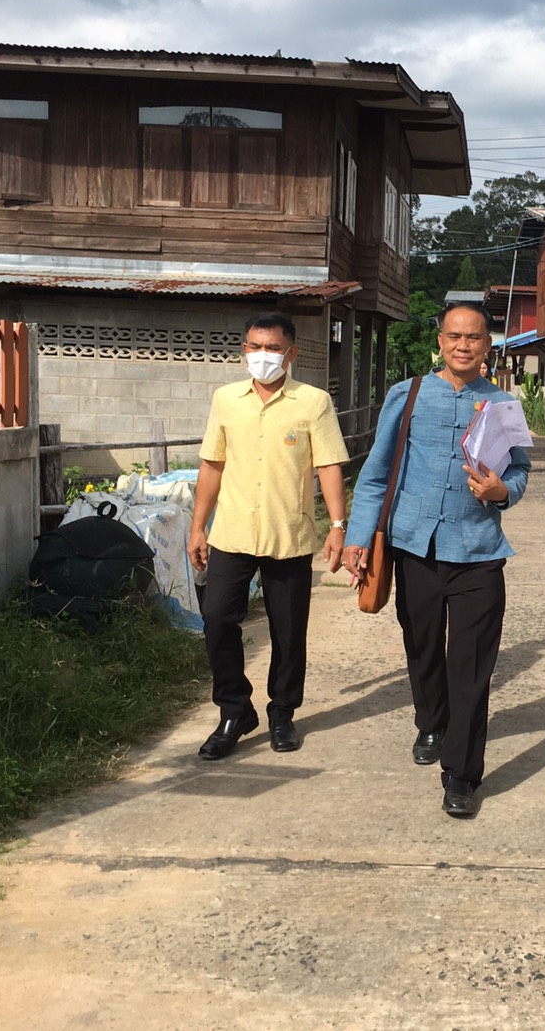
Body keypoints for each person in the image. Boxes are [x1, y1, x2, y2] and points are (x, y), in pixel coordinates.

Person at [343, 304, 531, 819]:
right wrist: (358, 540)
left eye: (474, 337)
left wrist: (500, 492)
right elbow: (376, 476)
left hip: (478, 553)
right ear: (441, 341)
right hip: (415, 548)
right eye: (454, 336)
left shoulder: (504, 407)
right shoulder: (408, 396)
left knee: (470, 667)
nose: (463, 345)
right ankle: (430, 719)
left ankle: (461, 774)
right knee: (422, 646)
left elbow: (520, 476)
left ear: (487, 345)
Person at [187, 312, 348, 760]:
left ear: (291, 353)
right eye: (255, 347)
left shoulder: (312, 402)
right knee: (218, 619)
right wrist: (198, 526)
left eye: (273, 348)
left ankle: (282, 713)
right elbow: (212, 465)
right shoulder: (226, 400)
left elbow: (329, 464)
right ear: (244, 351)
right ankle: (235, 711)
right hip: (232, 534)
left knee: (288, 632)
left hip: (289, 535)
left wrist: (337, 526)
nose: (263, 356)